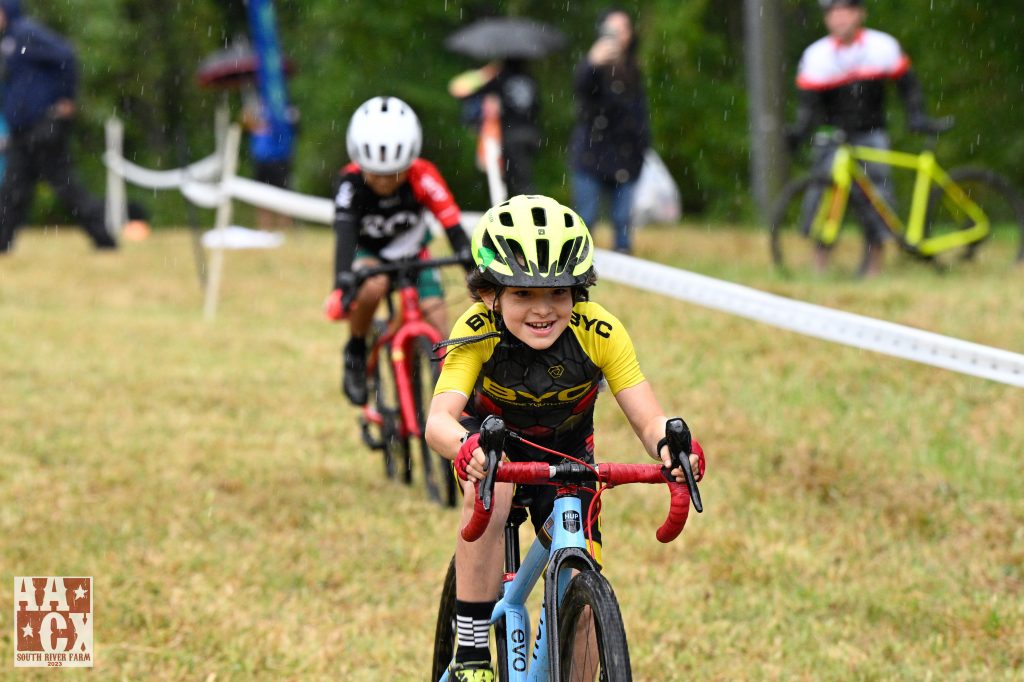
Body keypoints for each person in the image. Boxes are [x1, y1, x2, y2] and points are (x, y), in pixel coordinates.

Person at [425, 194, 705, 681]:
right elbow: (439, 421)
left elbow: (647, 421)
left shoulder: (600, 331)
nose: (543, 310)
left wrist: (674, 448)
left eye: (558, 293)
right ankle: (471, 652)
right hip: (491, 450)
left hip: (568, 458)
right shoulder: (475, 329)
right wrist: (467, 449)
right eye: (522, 294)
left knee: (586, 613)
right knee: (496, 482)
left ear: (579, 291)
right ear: (490, 294)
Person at [323, 96, 473, 406]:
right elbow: (345, 235)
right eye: (375, 174)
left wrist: (473, 268)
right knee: (372, 285)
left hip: (414, 255)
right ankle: (355, 350)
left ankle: (452, 399)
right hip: (371, 256)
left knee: (438, 319)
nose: (384, 183)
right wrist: (342, 285)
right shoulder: (350, 184)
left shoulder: (424, 174)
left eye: (394, 174)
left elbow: (453, 226)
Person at [786, 0, 948, 276]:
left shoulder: (881, 46)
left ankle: (875, 266)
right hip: (833, 134)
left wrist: (916, 116)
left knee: (877, 197)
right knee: (821, 195)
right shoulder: (817, 55)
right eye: (832, 13)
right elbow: (807, 105)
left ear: (860, 13)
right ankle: (819, 265)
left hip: (871, 132)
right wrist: (799, 132)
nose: (839, 19)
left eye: (845, 11)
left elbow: (908, 86)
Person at [0, 0, 116, 254]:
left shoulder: (25, 32)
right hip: (22, 129)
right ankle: (2, 243)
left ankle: (104, 237)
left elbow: (66, 55)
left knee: (64, 185)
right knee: (13, 190)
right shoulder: (8, 40)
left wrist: (66, 99)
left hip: (44, 125)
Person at [569, 7, 650, 255]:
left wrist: (643, 146)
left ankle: (624, 265)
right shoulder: (593, 65)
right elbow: (580, 89)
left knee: (623, 220)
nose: (618, 35)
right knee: (586, 219)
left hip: (626, 156)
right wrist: (591, 63)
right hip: (591, 154)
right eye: (612, 29)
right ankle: (577, 270)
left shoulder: (633, 68)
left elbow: (638, 112)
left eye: (623, 28)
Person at [448, 59, 541, 196]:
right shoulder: (530, 79)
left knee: (516, 183)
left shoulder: (500, 79)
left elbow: (458, 89)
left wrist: (485, 72)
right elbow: (537, 107)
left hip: (510, 137)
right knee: (520, 178)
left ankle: (530, 211)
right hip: (531, 134)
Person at [241, 87, 299, 230]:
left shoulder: (284, 107)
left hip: (280, 158)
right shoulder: (258, 106)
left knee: (283, 195)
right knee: (261, 196)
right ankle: (264, 229)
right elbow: (246, 123)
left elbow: (292, 126)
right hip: (261, 159)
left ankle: (285, 229)